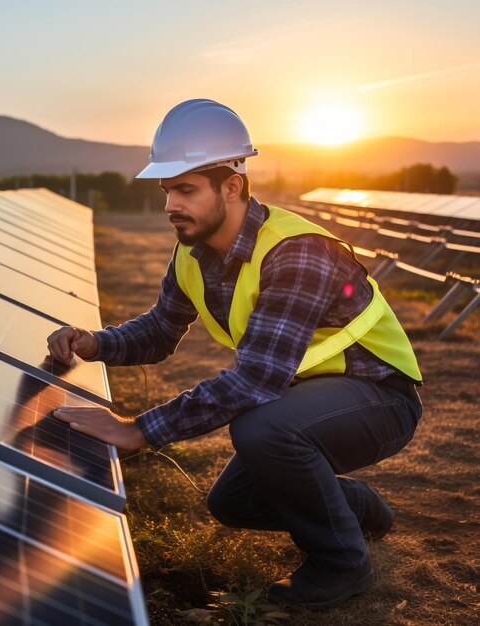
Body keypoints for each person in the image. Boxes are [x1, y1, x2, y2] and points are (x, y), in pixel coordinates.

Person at [49, 99, 423, 610]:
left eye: (185, 190)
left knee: (261, 431)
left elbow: (255, 383)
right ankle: (358, 508)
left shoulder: (295, 252)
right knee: (232, 501)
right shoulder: (192, 251)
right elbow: (161, 330)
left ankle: (342, 564)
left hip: (382, 399)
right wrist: (95, 343)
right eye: (166, 191)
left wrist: (140, 429)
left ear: (233, 185)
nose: (169, 206)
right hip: (307, 393)